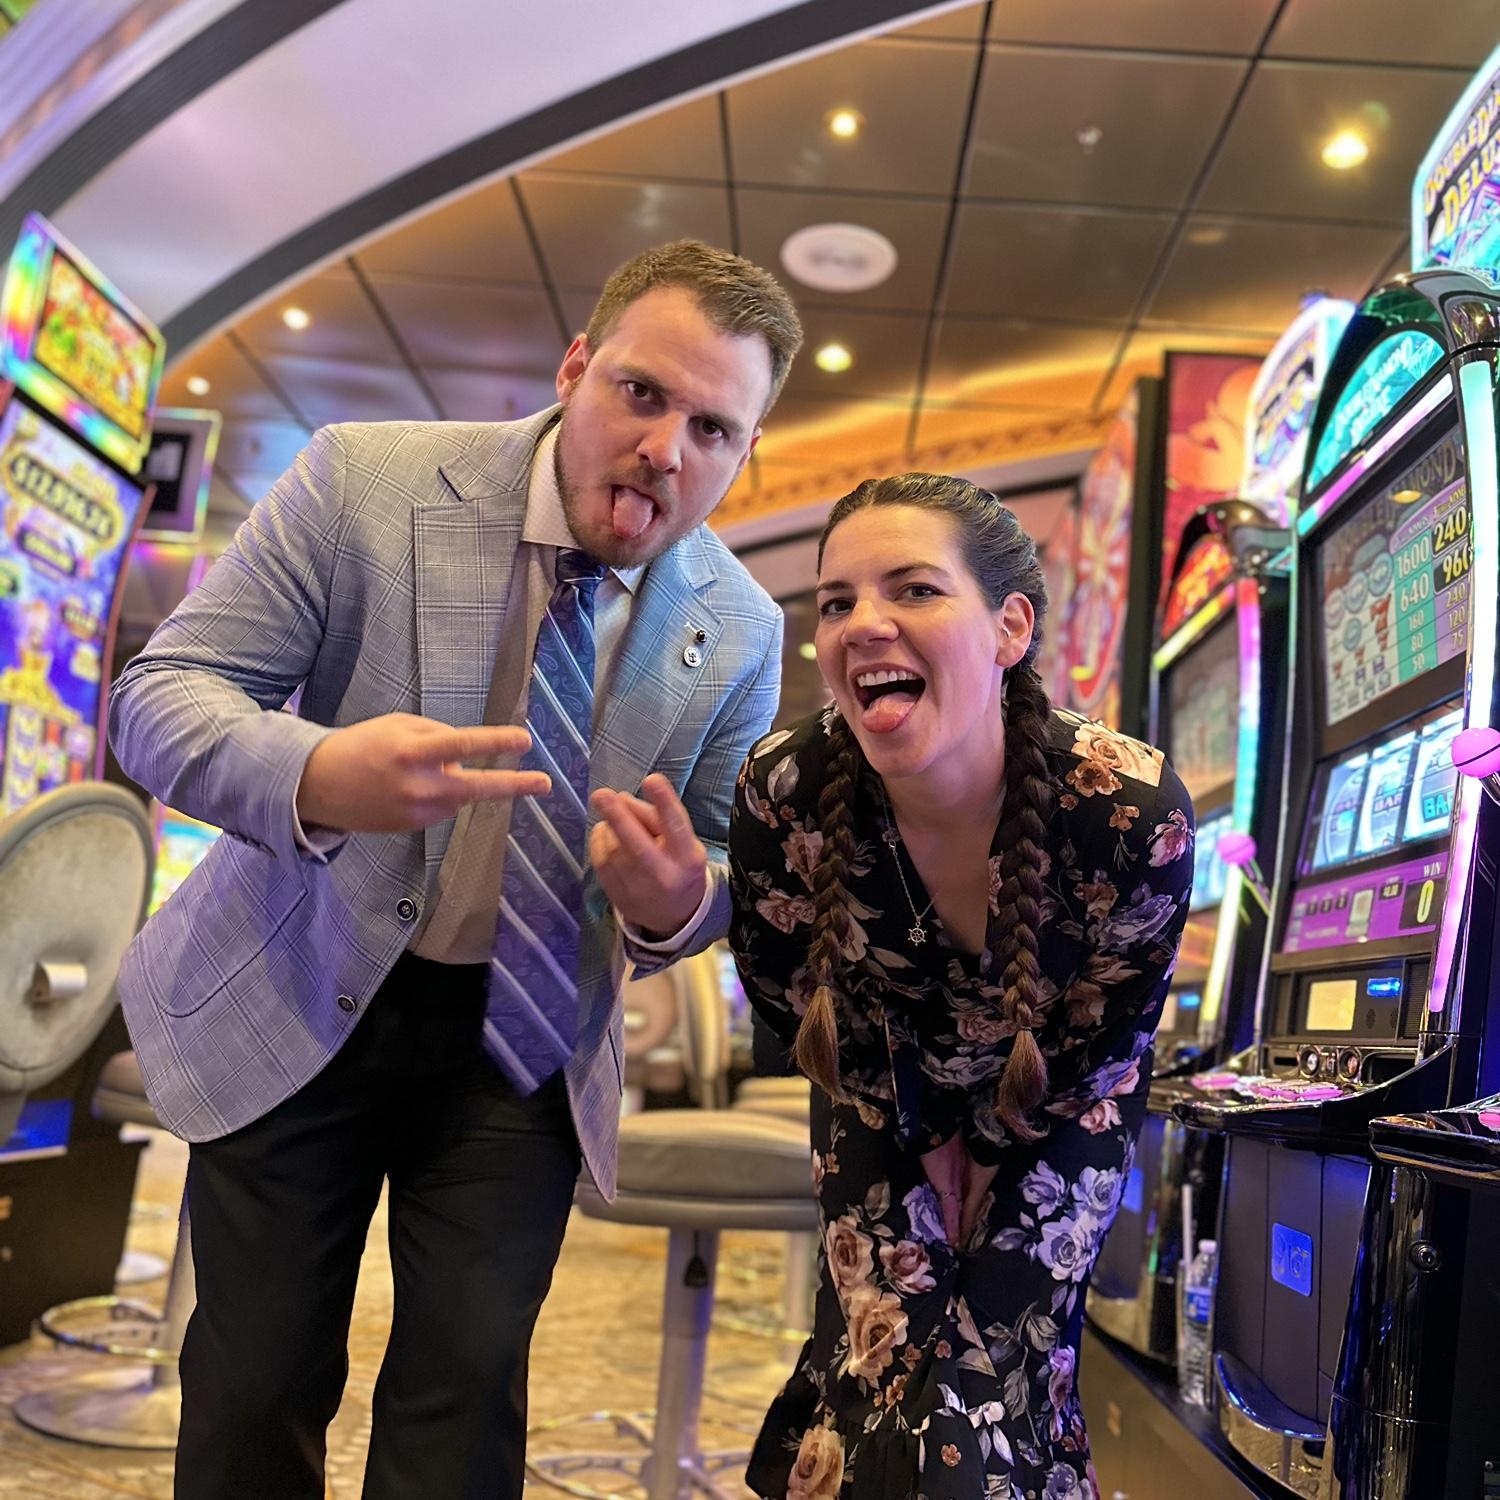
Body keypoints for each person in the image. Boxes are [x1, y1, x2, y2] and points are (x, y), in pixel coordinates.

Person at [109, 239, 801, 1500]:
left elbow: (723, 866)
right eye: (642, 393)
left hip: (524, 1033)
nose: (666, 449)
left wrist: (679, 902)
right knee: (258, 1380)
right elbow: (160, 696)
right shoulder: (362, 482)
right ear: (576, 368)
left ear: (745, 452)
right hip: (302, 974)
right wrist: (321, 773)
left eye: (712, 428)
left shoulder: (745, 629)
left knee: (467, 1393)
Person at [728, 473, 1194, 1500]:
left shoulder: (1126, 806)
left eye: (915, 589)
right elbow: (783, 997)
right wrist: (924, 1133)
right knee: (882, 1358)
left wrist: (983, 1144)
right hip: (876, 1094)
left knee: (1000, 1370)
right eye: (837, 601)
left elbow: (1109, 1030)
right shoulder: (783, 790)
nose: (864, 623)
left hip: (1062, 1094)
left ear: (1009, 627)